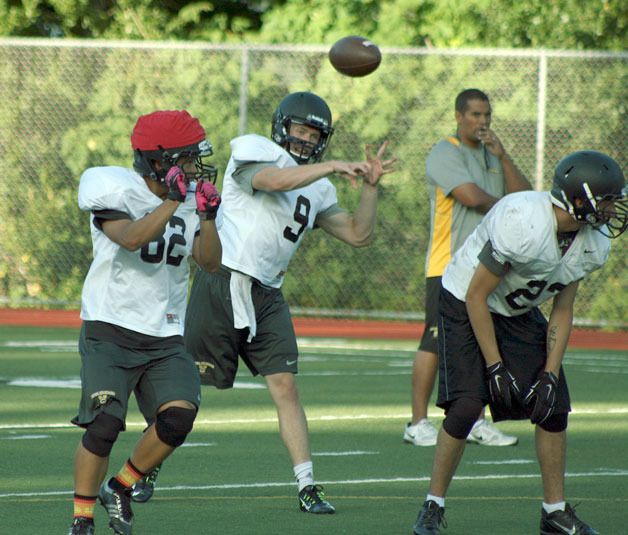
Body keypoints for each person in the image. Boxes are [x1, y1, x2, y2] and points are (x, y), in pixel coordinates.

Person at [183, 91, 396, 514]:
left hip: (267, 293)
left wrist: (369, 189)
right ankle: (144, 468)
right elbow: (271, 181)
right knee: (186, 387)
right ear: (282, 127)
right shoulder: (255, 150)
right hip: (222, 279)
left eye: (314, 134)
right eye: (300, 130)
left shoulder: (318, 187)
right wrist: (333, 166)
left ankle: (307, 485)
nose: (305, 139)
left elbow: (358, 234)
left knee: (286, 386)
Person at [412, 150, 626, 535]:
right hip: (465, 299)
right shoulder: (522, 221)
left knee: (553, 406)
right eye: (608, 199)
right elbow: (477, 296)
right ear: (580, 199)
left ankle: (554, 512)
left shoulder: (593, 243)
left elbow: (563, 308)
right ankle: (432, 505)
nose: (613, 209)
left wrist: (550, 373)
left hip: (516, 309)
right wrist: (494, 366)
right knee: (466, 406)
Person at [68, 110, 222, 535]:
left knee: (178, 417)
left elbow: (209, 262)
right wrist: (172, 201)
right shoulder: (111, 185)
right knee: (104, 425)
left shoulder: (190, 200)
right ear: (159, 161)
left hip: (165, 333)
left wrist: (207, 218)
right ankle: (81, 519)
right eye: (187, 158)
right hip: (110, 328)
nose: (194, 168)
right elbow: (132, 238)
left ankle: (120, 486)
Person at [404, 88, 532, 447]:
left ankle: (477, 421)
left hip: (488, 267)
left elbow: (527, 197)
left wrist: (504, 158)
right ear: (459, 116)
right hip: (447, 265)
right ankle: (416, 423)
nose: (483, 122)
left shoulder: (492, 155)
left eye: (487, 115)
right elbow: (471, 198)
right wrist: (511, 210)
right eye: (475, 114)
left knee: (480, 341)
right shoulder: (446, 151)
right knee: (433, 340)